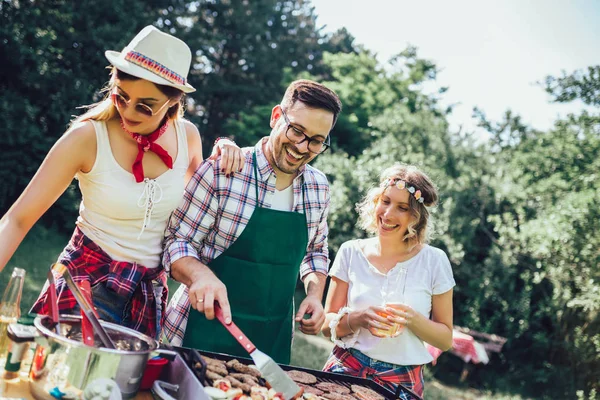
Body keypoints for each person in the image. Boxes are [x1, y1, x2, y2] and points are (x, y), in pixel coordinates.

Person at [0, 26, 243, 339]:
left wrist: (225, 148)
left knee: (123, 389)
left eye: (145, 105)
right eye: (121, 95)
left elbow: (206, 206)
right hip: (86, 281)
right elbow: (18, 219)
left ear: (172, 100)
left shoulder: (188, 138)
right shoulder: (86, 138)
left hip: (146, 295)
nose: (128, 110)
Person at [162, 79, 342, 364]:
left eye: (317, 141)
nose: (302, 146)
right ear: (275, 117)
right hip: (198, 332)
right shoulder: (224, 170)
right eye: (296, 130)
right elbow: (175, 242)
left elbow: (315, 252)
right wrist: (200, 275)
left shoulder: (318, 187)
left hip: (270, 345)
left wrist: (314, 294)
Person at [321, 164, 455, 398]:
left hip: (402, 382)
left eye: (402, 207)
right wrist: (358, 318)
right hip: (346, 368)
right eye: (385, 201)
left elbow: (444, 340)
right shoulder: (350, 251)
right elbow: (326, 325)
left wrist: (412, 320)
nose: (388, 214)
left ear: (417, 216)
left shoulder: (435, 260)